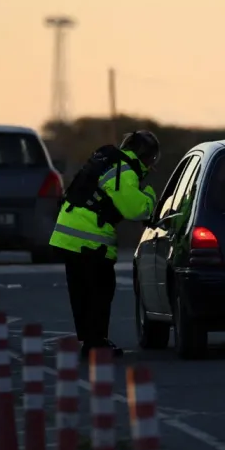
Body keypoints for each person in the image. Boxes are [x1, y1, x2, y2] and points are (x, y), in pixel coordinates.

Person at [49, 131, 159, 357]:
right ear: (146, 156)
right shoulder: (124, 171)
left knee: (81, 291)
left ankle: (90, 342)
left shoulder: (108, 162)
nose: (152, 165)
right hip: (88, 239)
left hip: (66, 235)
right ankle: (95, 342)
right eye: (152, 159)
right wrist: (149, 194)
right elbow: (136, 209)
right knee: (101, 289)